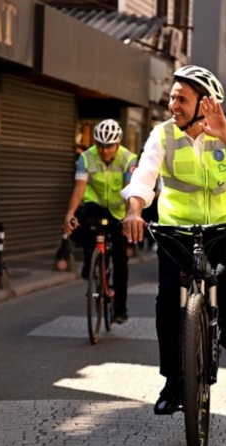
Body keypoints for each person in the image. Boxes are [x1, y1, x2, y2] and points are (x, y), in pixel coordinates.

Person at [120, 65, 226, 415]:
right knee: (168, 303)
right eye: (172, 97)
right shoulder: (162, 135)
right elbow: (144, 177)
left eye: (181, 99)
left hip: (224, 225)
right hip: (176, 230)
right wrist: (134, 210)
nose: (173, 104)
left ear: (205, 103)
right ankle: (173, 381)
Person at [64, 119, 136, 324]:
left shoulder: (129, 159)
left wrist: (130, 215)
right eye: (100, 145)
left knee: (121, 257)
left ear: (118, 143)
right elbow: (79, 188)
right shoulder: (86, 158)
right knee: (83, 225)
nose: (105, 150)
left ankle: (120, 308)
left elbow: (129, 190)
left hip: (118, 209)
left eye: (110, 146)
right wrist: (69, 213)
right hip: (94, 204)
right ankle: (90, 259)